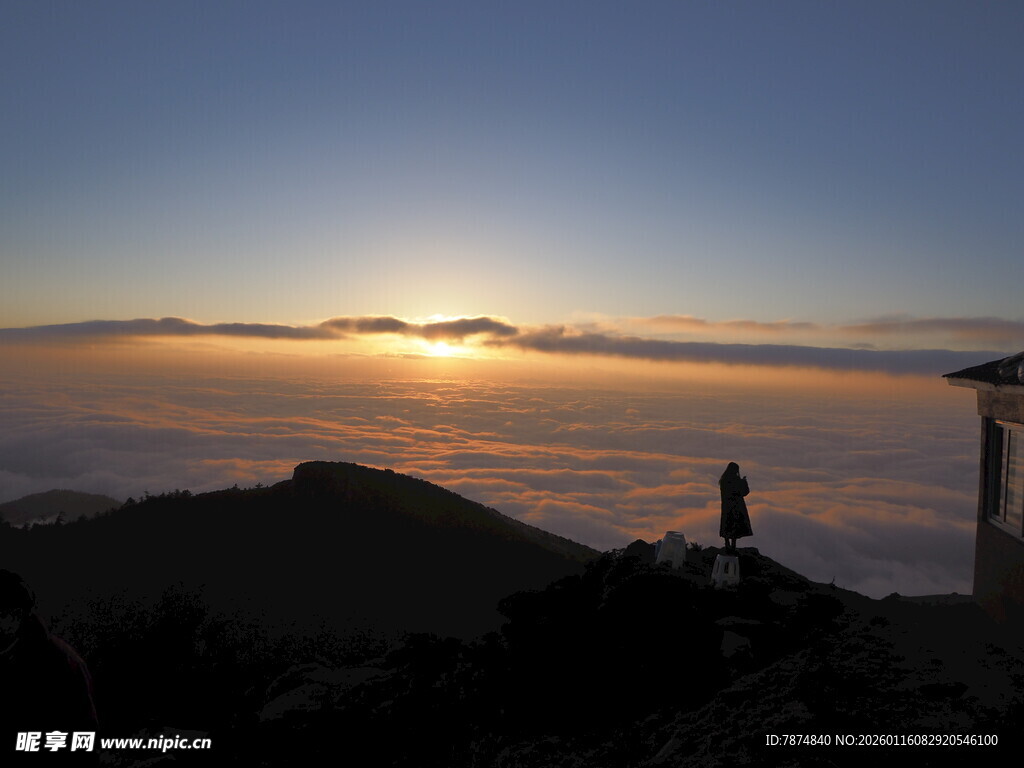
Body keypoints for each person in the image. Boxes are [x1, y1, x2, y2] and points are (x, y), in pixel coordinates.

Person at [0, 569, 98, 760]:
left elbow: (84, 740)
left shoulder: (60, 663)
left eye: (3, 614)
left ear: (17, 616)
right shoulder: (9, 653)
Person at [719, 462, 752, 552]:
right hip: (737, 506)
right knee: (735, 525)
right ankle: (733, 546)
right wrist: (744, 482)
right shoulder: (736, 480)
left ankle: (727, 544)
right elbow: (744, 492)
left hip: (726, 507)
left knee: (727, 524)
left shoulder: (723, 480)